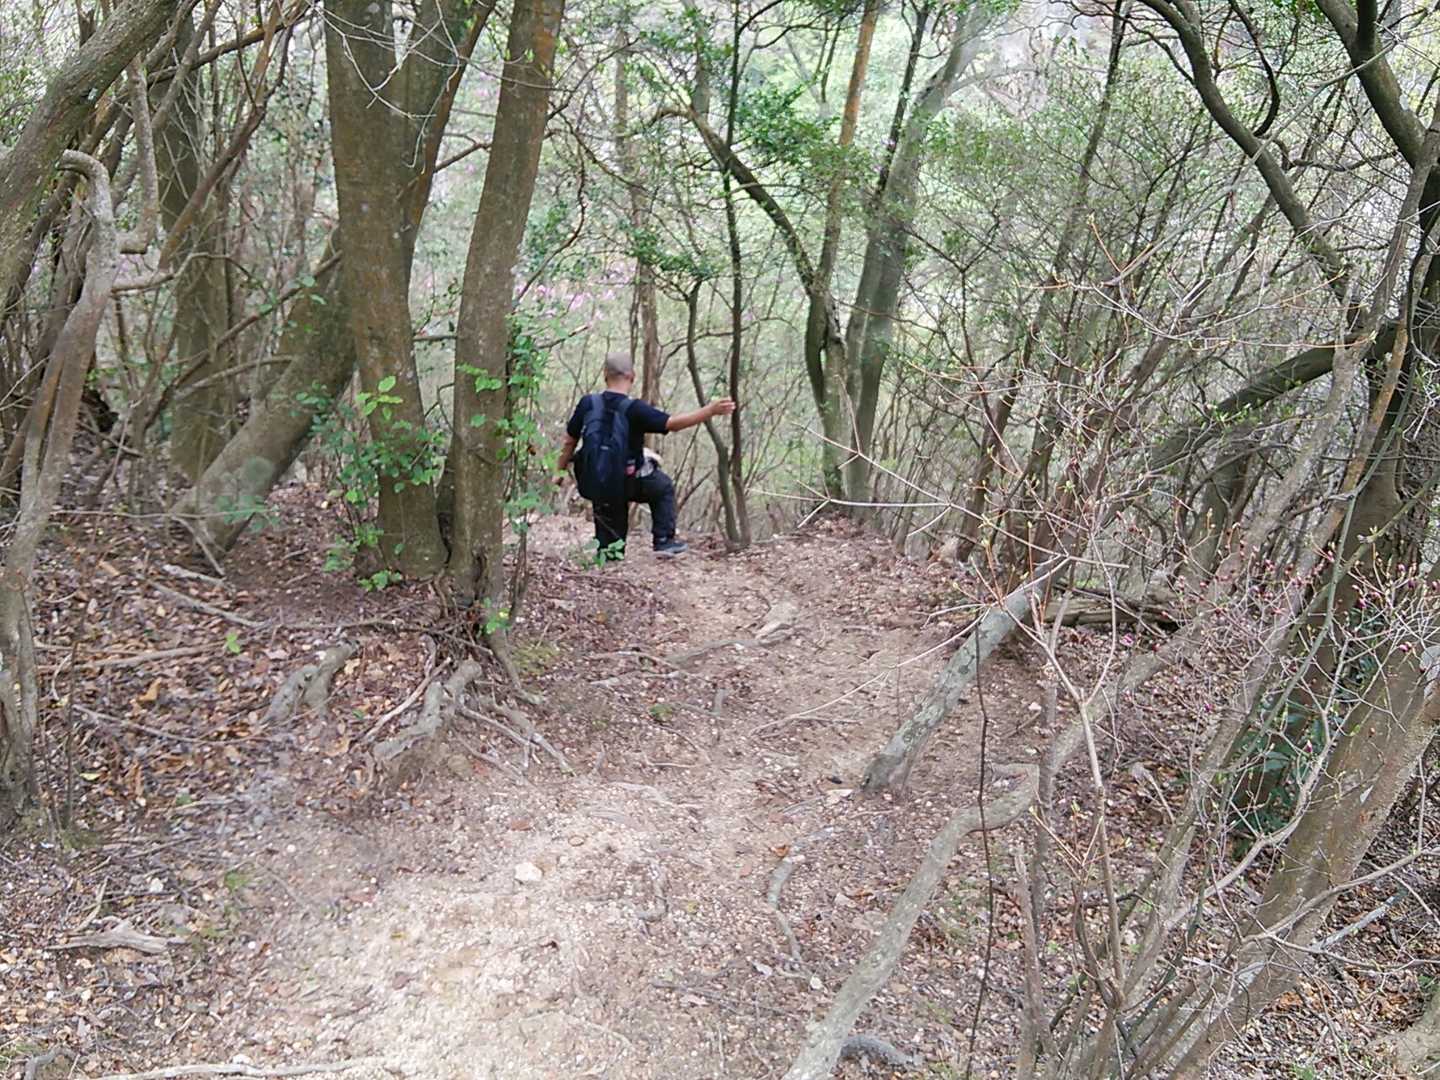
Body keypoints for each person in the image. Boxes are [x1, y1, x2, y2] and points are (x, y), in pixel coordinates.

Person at [556, 353, 736, 559]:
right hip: (627, 482)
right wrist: (710, 410)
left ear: (605, 374)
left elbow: (569, 441)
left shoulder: (588, 403)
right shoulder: (635, 409)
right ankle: (664, 541)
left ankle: (606, 562)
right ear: (632, 376)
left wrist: (558, 472)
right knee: (662, 487)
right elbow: (672, 424)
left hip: (595, 482)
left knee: (609, 550)